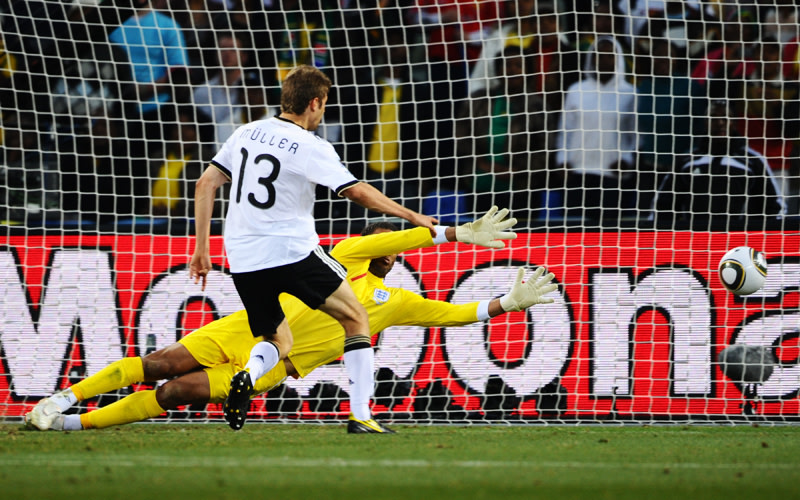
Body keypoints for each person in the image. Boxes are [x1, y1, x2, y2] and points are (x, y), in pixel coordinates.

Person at [25, 208, 557, 433]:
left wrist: (506, 304)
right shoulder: (344, 256)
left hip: (279, 363)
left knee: (176, 392)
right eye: (387, 244)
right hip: (244, 328)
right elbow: (401, 236)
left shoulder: (394, 301)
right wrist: (451, 233)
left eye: (395, 248)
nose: (392, 252)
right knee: (159, 362)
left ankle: (70, 425)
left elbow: (454, 315)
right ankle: (63, 399)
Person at [189, 64, 437, 432]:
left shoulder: (246, 132)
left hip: (243, 257)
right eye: (324, 105)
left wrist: (201, 249)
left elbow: (205, 184)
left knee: (279, 338)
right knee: (356, 318)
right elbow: (356, 191)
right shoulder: (311, 146)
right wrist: (410, 214)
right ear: (315, 103)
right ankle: (361, 415)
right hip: (291, 252)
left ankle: (247, 375)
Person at [650, 100, 787, 227]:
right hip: (695, 238)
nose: (720, 123)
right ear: (705, 122)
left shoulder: (752, 161)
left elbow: (775, 206)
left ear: (734, 123)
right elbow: (662, 205)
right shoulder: (686, 161)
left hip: (739, 239)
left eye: (725, 118)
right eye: (713, 117)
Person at [554, 36, 637, 222]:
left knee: (608, 232)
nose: (604, 60)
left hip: (613, 175)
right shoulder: (576, 90)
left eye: (610, 55)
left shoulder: (630, 93)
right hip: (576, 172)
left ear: (618, 59)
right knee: (574, 231)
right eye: (599, 55)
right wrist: (562, 160)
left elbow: (636, 135)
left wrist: (627, 160)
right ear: (591, 58)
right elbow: (565, 130)